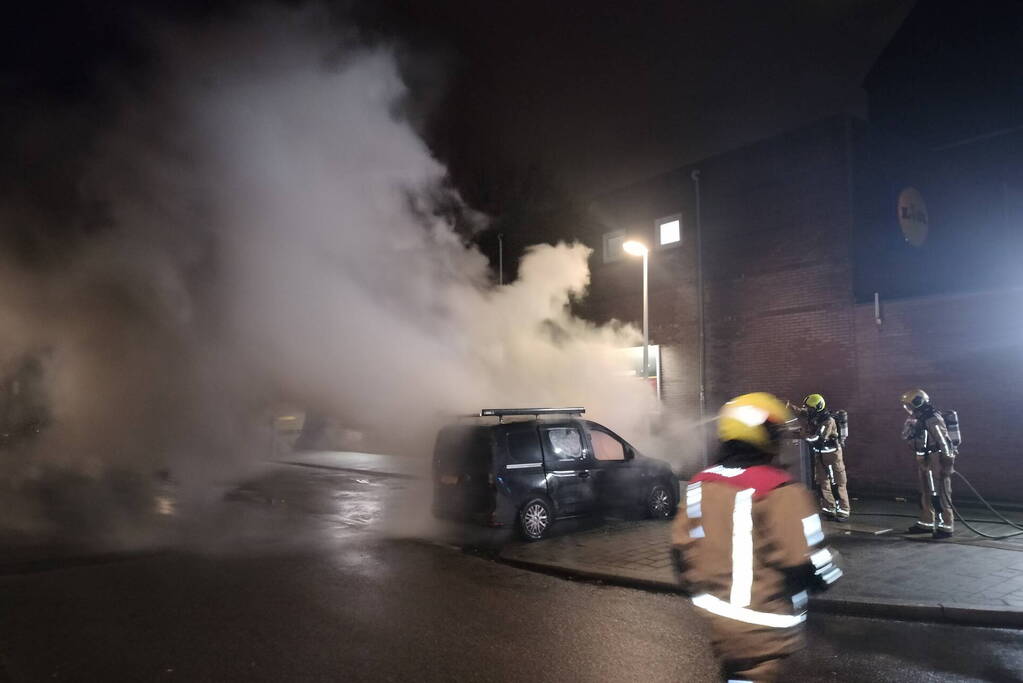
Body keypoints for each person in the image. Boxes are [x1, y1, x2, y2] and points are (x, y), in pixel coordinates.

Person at [671, 392, 842, 682]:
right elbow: (803, 562)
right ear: (767, 436)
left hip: (720, 622)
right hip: (766, 625)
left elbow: (679, 553)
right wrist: (830, 568)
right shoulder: (780, 490)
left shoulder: (701, 484)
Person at [900, 389, 955, 538]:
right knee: (925, 491)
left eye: (909, 405)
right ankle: (927, 522)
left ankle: (946, 525)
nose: (908, 409)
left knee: (940, 492)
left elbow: (944, 441)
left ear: (918, 401)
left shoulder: (932, 418)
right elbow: (909, 436)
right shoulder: (917, 418)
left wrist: (948, 462)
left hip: (935, 457)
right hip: (924, 458)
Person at [794, 394, 850, 521]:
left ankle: (843, 510)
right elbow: (801, 412)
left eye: (810, 408)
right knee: (822, 482)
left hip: (832, 455)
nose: (808, 410)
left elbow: (818, 438)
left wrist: (802, 434)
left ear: (817, 407)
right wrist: (788, 406)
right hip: (820, 454)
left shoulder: (827, 421)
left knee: (837, 482)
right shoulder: (815, 416)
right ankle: (829, 509)